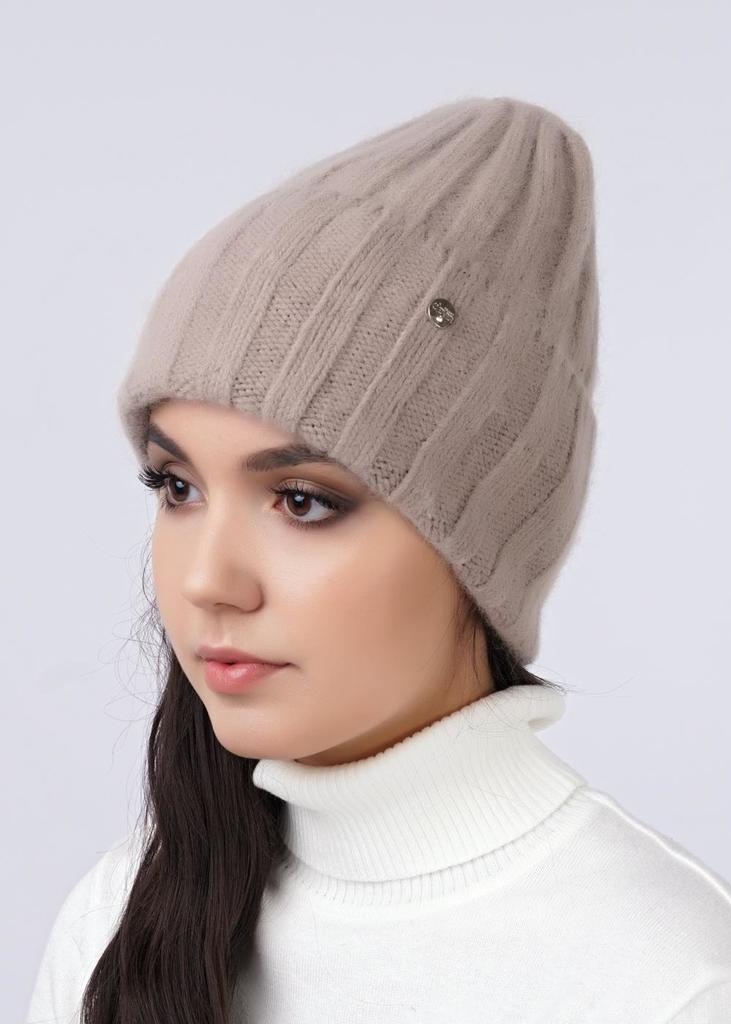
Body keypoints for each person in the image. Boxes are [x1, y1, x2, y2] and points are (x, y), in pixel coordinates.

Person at [26, 95, 731, 1024]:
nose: (205, 582)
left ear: (482, 547)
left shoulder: (669, 979)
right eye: (177, 487)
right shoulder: (119, 921)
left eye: (302, 501)